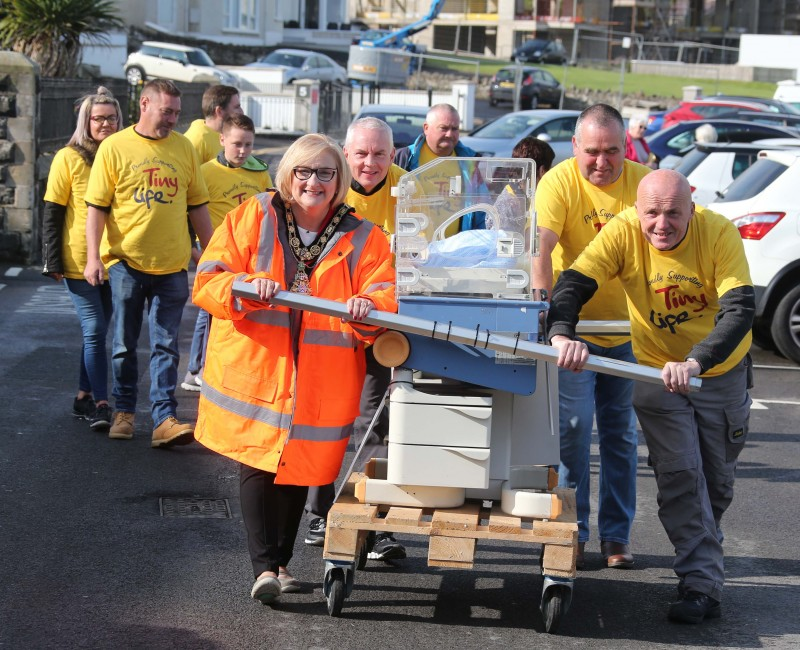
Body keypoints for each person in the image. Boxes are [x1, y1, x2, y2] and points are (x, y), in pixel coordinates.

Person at [191, 133, 396, 605]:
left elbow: (385, 290)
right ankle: (264, 568)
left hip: (323, 373)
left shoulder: (364, 233)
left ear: (339, 179)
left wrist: (369, 305)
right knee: (259, 462)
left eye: (326, 173)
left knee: (298, 468)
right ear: (288, 174)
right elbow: (208, 278)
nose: (314, 182)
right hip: (260, 367)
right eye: (304, 171)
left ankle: (280, 565)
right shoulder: (255, 214)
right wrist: (245, 284)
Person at [547, 169, 754, 624]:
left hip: (719, 372)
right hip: (658, 370)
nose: (662, 224)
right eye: (652, 213)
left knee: (715, 484)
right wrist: (561, 332)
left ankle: (703, 562)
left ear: (691, 210)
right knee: (681, 474)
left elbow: (740, 309)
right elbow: (574, 284)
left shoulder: (719, 233)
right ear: (637, 210)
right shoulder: (622, 231)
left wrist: (697, 361)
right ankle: (700, 584)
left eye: (674, 213)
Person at [533, 104, 651, 570]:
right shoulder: (559, 182)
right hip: (575, 329)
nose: (603, 162)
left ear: (626, 148)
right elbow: (541, 249)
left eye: (613, 152)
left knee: (621, 434)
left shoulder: (643, 183)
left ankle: (616, 536)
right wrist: (548, 319)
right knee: (575, 431)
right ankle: (573, 531)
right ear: (575, 147)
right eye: (593, 152)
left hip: (628, 329)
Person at [84, 79, 214, 446]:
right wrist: (94, 257)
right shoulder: (114, 147)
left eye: (176, 112)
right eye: (166, 111)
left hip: (172, 266)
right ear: (144, 104)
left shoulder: (184, 149)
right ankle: (124, 411)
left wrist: (213, 254)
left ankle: (164, 418)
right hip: (126, 263)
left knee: (167, 345)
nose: (173, 118)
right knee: (124, 344)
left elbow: (197, 206)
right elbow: (96, 208)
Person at [303, 116, 406, 561]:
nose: (370, 163)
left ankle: (375, 517)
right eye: (361, 154)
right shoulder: (326, 189)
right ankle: (321, 510)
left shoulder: (411, 189)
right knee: (326, 422)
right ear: (346, 155)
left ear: (393, 154)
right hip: (328, 327)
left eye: (380, 154)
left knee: (379, 423)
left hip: (383, 328)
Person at [42, 87, 122, 432]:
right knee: (95, 331)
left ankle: (82, 395)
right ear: (85, 121)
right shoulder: (68, 158)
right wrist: (52, 261)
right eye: (98, 118)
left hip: (117, 261)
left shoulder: (123, 155)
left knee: (98, 333)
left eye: (111, 118)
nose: (105, 123)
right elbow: (53, 212)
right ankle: (103, 404)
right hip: (79, 261)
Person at [181, 114, 273, 393]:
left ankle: (226, 367)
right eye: (236, 144)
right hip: (219, 254)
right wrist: (196, 253)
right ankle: (196, 369)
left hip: (252, 256)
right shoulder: (206, 171)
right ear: (222, 140)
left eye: (248, 145)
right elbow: (189, 213)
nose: (242, 151)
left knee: (242, 313)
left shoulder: (259, 173)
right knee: (208, 311)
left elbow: (270, 211)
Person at [395, 104, 482, 233]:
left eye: (455, 128)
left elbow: (482, 209)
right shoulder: (404, 158)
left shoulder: (470, 162)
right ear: (426, 128)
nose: (449, 134)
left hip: (457, 250)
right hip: (415, 247)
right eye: (444, 128)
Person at [183, 85, 243, 164]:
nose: (242, 112)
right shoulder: (197, 140)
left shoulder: (222, 134)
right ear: (219, 111)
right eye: (237, 107)